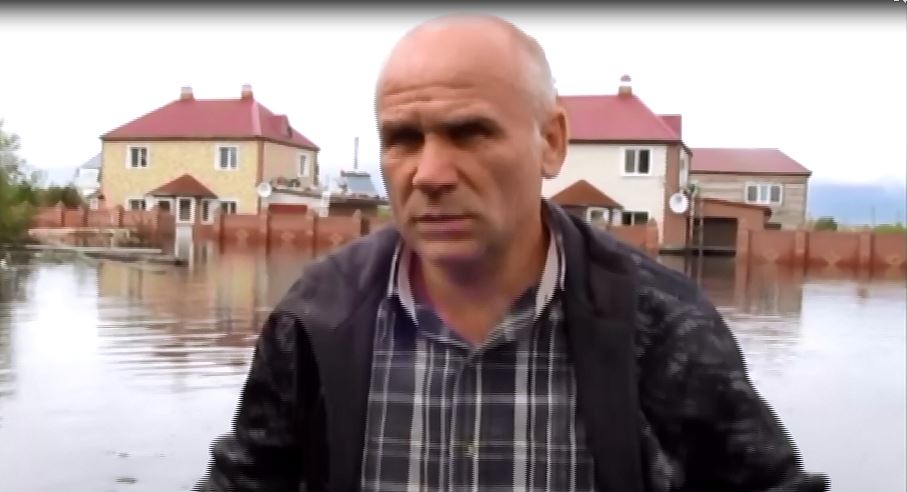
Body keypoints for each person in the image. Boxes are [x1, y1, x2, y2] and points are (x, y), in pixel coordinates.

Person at [195, 14, 830, 492]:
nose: (430, 173)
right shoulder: (317, 320)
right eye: (404, 139)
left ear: (551, 142)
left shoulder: (661, 325)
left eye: (470, 133)